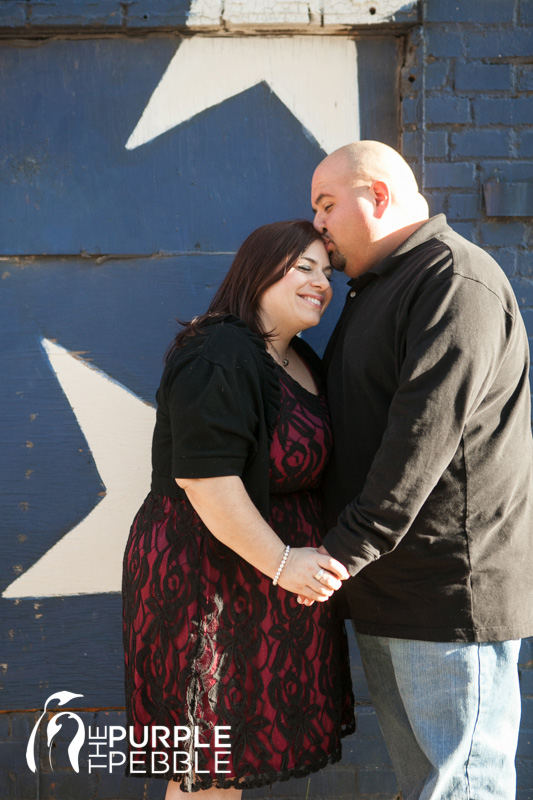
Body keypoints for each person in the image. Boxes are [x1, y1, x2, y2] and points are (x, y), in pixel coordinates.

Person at [310, 140, 533, 799]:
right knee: (427, 787)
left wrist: (341, 554)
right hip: (386, 587)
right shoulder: (378, 287)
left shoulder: (451, 282)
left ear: (377, 196)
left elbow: (420, 437)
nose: (316, 223)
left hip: (444, 594)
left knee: (460, 787)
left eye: (326, 204)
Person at [122, 220, 355, 799]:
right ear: (258, 271)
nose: (321, 283)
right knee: (207, 771)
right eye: (303, 267)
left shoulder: (297, 356)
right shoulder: (220, 350)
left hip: (261, 586)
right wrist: (282, 562)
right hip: (207, 580)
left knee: (232, 764)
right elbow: (206, 480)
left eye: (327, 273)